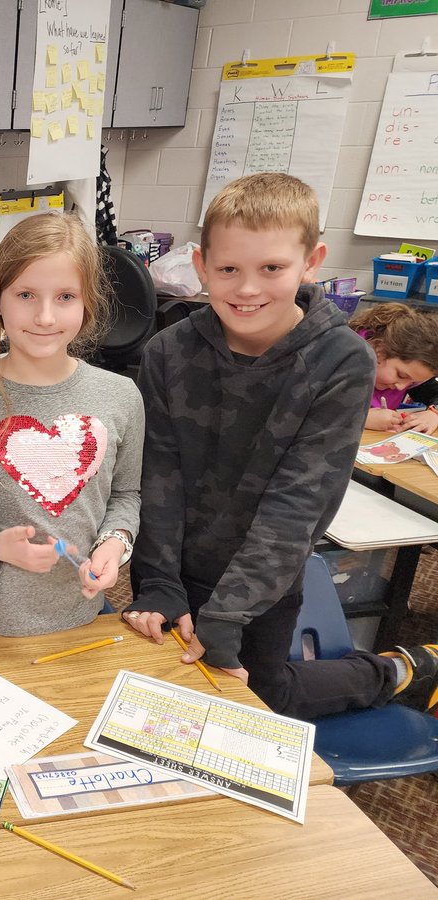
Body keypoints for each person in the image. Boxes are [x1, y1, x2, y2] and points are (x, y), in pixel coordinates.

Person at [125, 172, 438, 719]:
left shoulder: (341, 361)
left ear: (311, 262)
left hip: (264, 588)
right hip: (174, 571)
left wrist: (230, 612)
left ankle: (396, 669)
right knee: (165, 707)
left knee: (262, 705)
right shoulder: (167, 351)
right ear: (201, 267)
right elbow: (159, 475)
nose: (247, 289)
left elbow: (298, 504)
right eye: (228, 269)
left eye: (272, 268)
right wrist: (156, 581)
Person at [0, 212, 142, 635]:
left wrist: (114, 544)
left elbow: (126, 494)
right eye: (26, 294)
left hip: (82, 615)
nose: (45, 316)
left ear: (87, 303)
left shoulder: (121, 397)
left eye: (65, 297)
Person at [349, 303, 438, 434]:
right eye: (401, 375)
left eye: (413, 382)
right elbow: (314, 409)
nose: (402, 387)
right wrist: (361, 418)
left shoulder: (412, 372)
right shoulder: (344, 360)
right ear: (379, 349)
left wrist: (434, 413)